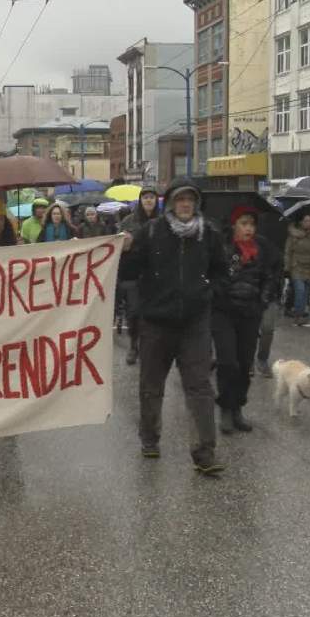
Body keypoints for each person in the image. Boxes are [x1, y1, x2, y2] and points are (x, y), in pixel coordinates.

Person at [118, 178, 229, 474]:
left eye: (190, 200)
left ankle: (205, 453)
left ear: (196, 204)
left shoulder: (210, 234)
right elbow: (127, 272)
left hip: (195, 323)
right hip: (156, 323)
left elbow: (221, 270)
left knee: (200, 387)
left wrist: (208, 292)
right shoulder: (151, 232)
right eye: (180, 200)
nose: (185, 205)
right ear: (170, 203)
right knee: (151, 386)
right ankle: (150, 437)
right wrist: (125, 250)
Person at [212, 205, 281, 434]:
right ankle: (224, 408)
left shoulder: (263, 248)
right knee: (227, 361)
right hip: (224, 312)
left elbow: (272, 274)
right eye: (243, 223)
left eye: (251, 224)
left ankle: (237, 408)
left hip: (250, 312)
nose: (248, 228)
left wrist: (263, 298)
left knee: (244, 363)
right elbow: (212, 276)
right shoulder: (222, 246)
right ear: (234, 225)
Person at [116, 187, 159, 365]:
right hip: (133, 273)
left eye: (151, 197)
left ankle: (151, 349)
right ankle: (133, 346)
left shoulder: (163, 221)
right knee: (133, 313)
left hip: (156, 275)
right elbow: (119, 244)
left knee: (153, 315)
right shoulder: (128, 221)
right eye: (145, 197)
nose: (148, 200)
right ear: (140, 200)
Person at [284, 212, 310, 326]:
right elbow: (288, 252)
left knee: (306, 293)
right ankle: (298, 315)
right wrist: (287, 267)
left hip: (309, 266)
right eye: (306, 220)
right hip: (296, 266)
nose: (308, 223)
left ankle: (301, 312)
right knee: (300, 290)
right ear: (300, 222)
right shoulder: (293, 235)